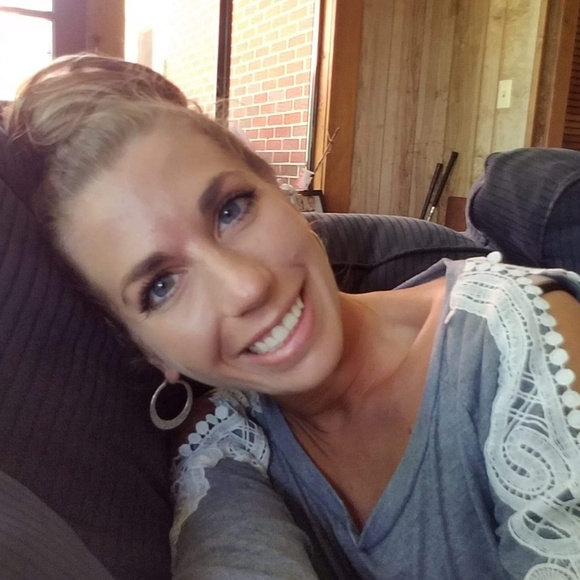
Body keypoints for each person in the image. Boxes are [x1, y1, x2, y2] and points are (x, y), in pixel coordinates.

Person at [5, 54, 580, 580]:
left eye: (231, 210)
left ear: (281, 191)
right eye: (161, 286)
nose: (247, 287)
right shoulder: (223, 440)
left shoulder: (515, 339)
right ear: (150, 351)